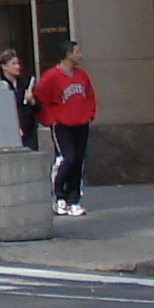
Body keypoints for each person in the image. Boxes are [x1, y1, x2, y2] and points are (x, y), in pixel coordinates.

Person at [32, 41, 98, 216]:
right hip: (62, 125)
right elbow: (39, 99)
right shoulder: (51, 77)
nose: (80, 55)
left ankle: (74, 199)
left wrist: (89, 114)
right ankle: (59, 196)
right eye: (77, 52)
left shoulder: (82, 75)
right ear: (68, 55)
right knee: (67, 159)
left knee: (78, 161)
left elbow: (89, 95)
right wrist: (50, 119)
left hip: (81, 123)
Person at [0, 48, 40, 150]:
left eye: (18, 63)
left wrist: (32, 101)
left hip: (28, 130)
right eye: (13, 64)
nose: (18, 67)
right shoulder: (0, 87)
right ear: (4, 66)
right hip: (10, 133)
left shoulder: (23, 84)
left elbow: (36, 110)